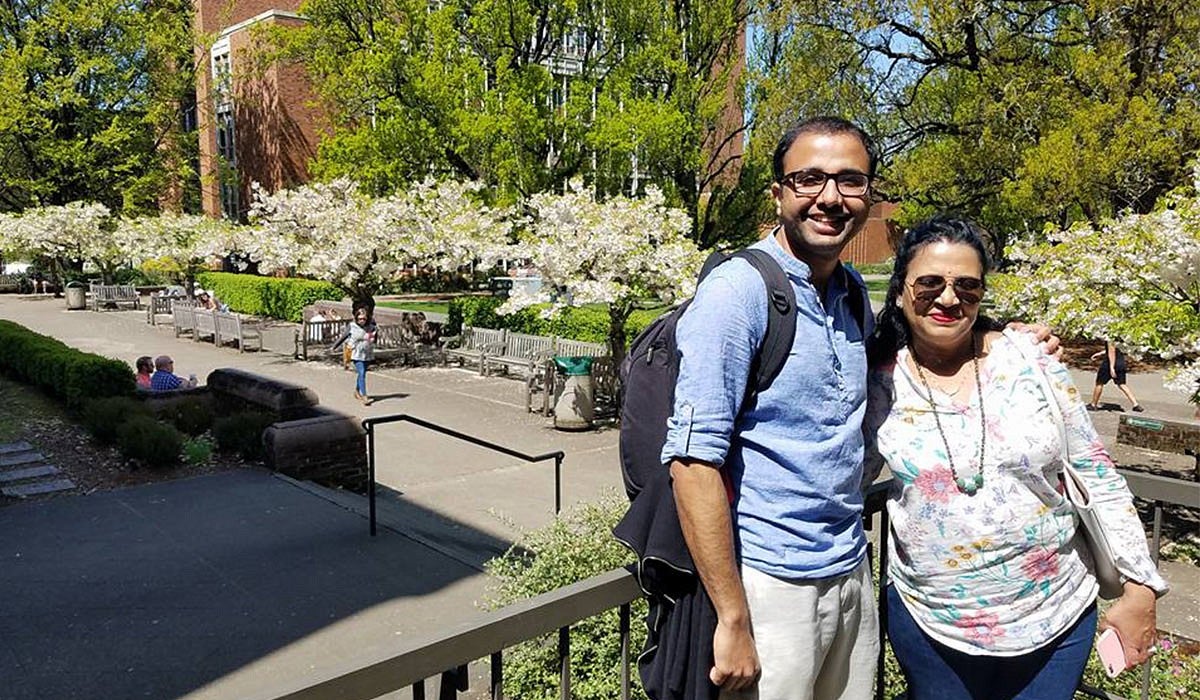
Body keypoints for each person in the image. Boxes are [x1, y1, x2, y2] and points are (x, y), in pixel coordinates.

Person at [661, 116, 1060, 700]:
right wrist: (733, 615)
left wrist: (998, 335)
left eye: (850, 181)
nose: (830, 198)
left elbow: (921, 333)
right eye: (809, 179)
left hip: (848, 566)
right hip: (771, 583)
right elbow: (693, 461)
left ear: (869, 195)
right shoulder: (737, 293)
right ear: (778, 193)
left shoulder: (848, 290)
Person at [862, 216, 1166, 700]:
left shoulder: (1029, 357)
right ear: (900, 291)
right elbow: (842, 477)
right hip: (931, 621)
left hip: (1055, 614)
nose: (948, 298)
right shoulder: (880, 379)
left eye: (967, 285)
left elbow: (1095, 470)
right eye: (930, 284)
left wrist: (1141, 587)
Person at [1087, 341, 1143, 412]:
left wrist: (1111, 367)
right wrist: (1100, 353)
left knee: (1099, 383)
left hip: (1109, 364)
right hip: (1121, 363)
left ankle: (1093, 404)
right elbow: (1114, 350)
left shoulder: (1110, 338)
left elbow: (1112, 352)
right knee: (1122, 384)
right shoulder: (1119, 338)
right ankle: (1136, 404)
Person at [346, 306, 376, 404]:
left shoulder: (371, 327)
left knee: (361, 374)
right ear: (356, 318)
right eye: (359, 319)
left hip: (367, 353)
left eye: (364, 318)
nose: (361, 320)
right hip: (356, 353)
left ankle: (357, 391)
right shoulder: (352, 326)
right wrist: (333, 347)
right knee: (362, 373)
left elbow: (374, 338)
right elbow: (343, 337)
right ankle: (364, 396)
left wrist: (372, 338)